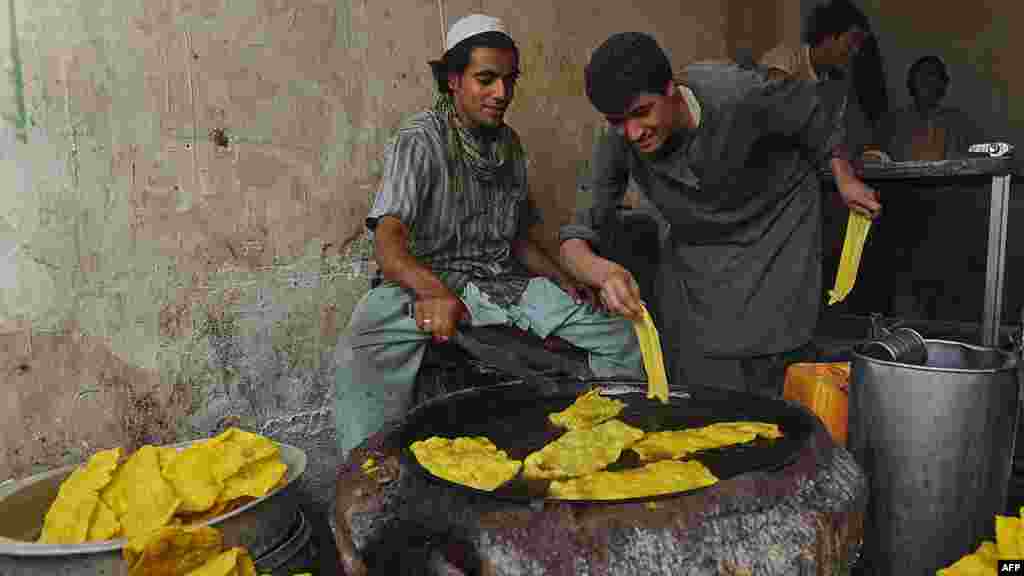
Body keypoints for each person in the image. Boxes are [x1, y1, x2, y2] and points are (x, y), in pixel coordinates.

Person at [333, 15, 644, 457]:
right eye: (486, 79)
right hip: (423, 284)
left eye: (508, 80)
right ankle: (368, 476)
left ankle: (610, 447)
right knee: (360, 353)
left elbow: (515, 238)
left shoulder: (509, 146)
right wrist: (434, 292)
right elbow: (388, 243)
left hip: (498, 284)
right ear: (453, 80)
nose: (501, 93)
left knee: (619, 336)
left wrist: (562, 280)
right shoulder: (419, 140)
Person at [559, 32, 881, 398]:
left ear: (671, 88)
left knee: (777, 395)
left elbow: (818, 121)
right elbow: (574, 240)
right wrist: (604, 273)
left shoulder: (739, 92)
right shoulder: (619, 135)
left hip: (774, 239)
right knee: (703, 400)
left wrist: (845, 178)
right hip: (700, 267)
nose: (631, 132)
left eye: (641, 113)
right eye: (617, 120)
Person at [864, 55, 982, 319]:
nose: (928, 83)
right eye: (921, 77)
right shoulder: (893, 122)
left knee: (943, 285)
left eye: (934, 76)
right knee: (903, 283)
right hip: (902, 211)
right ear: (911, 84)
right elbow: (872, 159)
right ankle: (905, 335)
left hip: (947, 213)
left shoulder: (958, 122)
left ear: (944, 85)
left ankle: (938, 333)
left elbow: (975, 164)